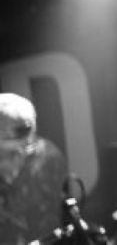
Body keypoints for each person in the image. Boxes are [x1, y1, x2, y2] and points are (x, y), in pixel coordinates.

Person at [0, 93, 68, 245]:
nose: (19, 156)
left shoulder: (49, 157)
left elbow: (50, 221)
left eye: (25, 147)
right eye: (9, 153)